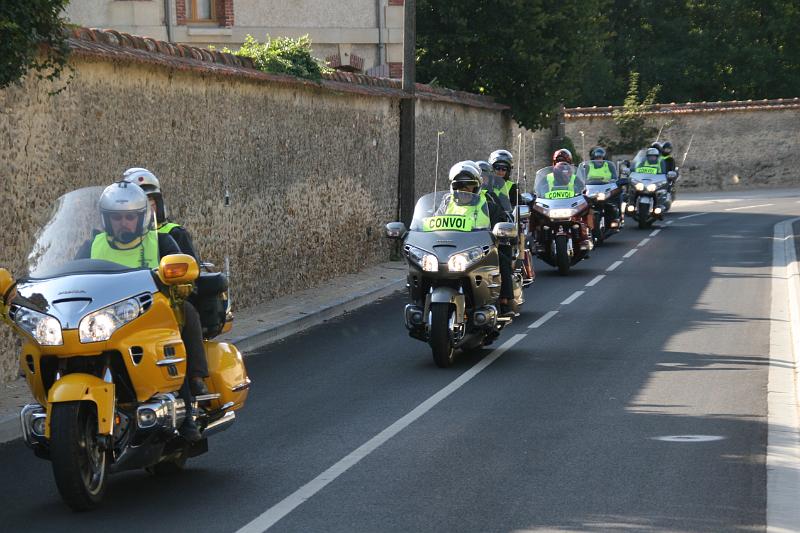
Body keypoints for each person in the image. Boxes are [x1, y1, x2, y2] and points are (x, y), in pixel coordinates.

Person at [76, 182, 208, 441]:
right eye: (117, 218)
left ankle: (188, 408)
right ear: (106, 219)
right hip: (106, 319)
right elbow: (71, 276)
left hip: (152, 315)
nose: (123, 223)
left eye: (129, 217)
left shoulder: (160, 242)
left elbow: (185, 275)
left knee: (182, 321)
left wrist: (181, 283)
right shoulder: (93, 245)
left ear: (141, 218)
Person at [443, 162, 516, 315]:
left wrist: (501, 232)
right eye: (459, 186)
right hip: (452, 248)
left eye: (468, 186)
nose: (464, 190)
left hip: (481, 249)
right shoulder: (446, 203)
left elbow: (501, 220)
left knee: (501, 259)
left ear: (476, 186)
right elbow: (432, 222)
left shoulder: (488, 202)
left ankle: (504, 301)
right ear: (453, 187)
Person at [122, 168, 199, 260]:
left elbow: (191, 266)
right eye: (139, 203)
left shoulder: (175, 232)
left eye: (151, 201)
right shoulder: (120, 235)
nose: (147, 208)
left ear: (158, 204)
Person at [584, 146, 621, 223]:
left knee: (618, 195)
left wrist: (614, 181)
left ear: (604, 158)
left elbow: (615, 177)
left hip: (607, 188)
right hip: (592, 189)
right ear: (593, 158)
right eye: (597, 158)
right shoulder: (588, 166)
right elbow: (583, 178)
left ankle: (618, 216)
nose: (599, 160)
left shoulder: (609, 165)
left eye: (601, 158)